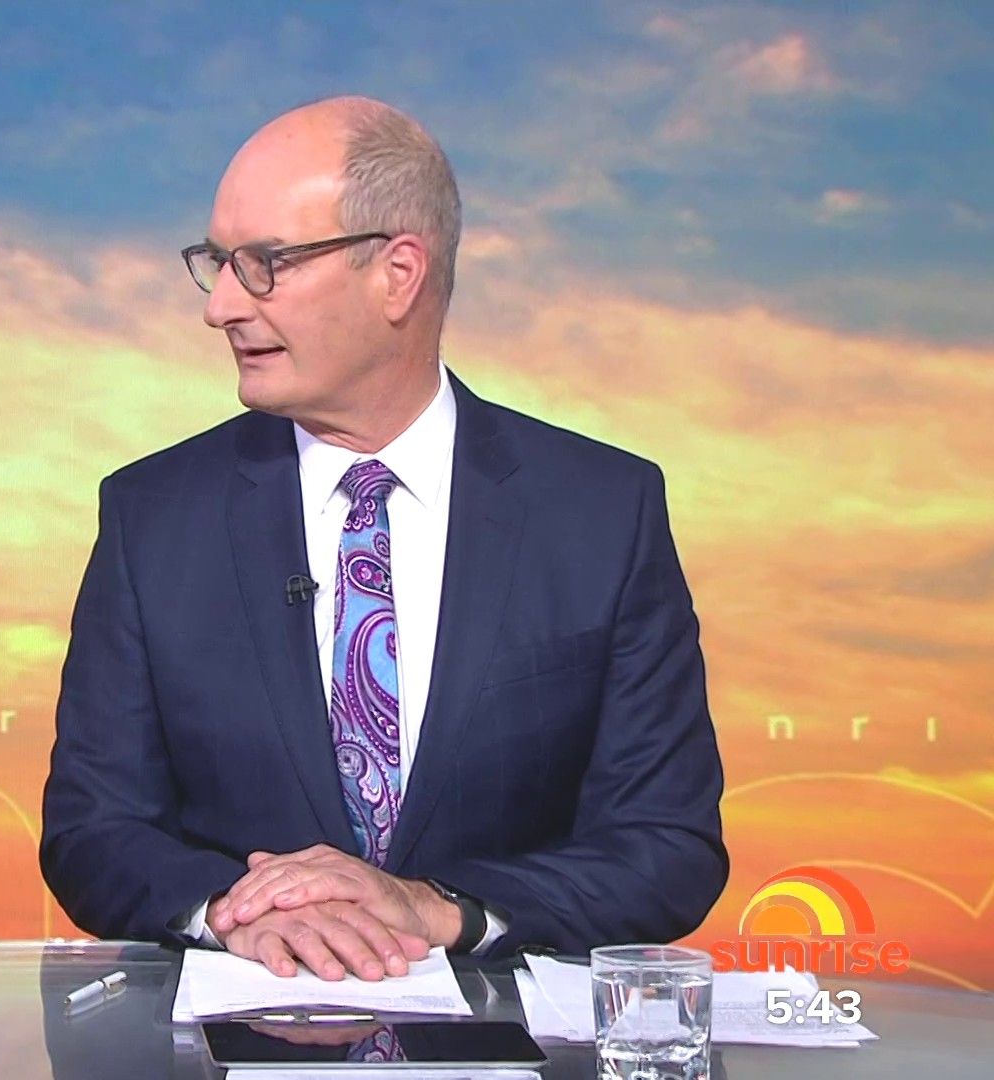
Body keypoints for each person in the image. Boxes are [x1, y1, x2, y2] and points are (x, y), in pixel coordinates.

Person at [40, 97, 726, 981]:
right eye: (217, 264)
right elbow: (93, 831)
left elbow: (666, 845)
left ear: (398, 273)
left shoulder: (601, 512)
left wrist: (440, 909)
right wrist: (238, 913)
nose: (222, 307)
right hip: (243, 1026)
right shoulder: (152, 516)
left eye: (265, 264)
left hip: (506, 1032)